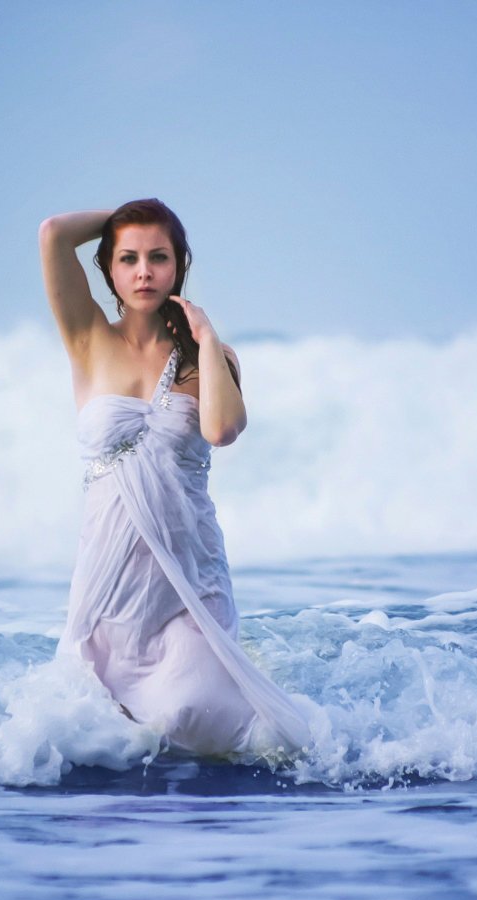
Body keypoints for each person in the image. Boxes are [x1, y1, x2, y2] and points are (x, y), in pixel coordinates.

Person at [39, 199, 311, 756]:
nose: (144, 272)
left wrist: (208, 341)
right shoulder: (88, 338)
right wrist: (126, 212)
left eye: (159, 257)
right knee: (99, 724)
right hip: (109, 578)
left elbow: (222, 429)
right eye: (129, 258)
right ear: (110, 269)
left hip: (187, 574)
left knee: (200, 713)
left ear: (179, 265)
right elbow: (53, 234)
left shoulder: (211, 354)